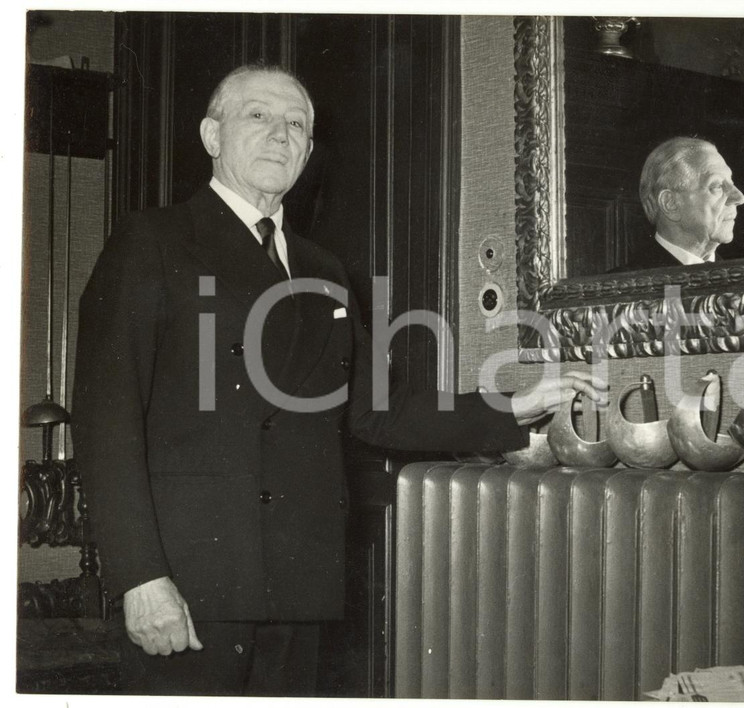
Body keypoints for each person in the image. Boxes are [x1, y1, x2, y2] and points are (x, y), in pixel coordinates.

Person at [71, 63, 606, 697]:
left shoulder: (324, 268)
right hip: (191, 583)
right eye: (258, 116)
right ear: (211, 136)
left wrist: (514, 405)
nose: (280, 135)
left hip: (299, 579)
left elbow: (377, 410)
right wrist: (139, 579)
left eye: (296, 123)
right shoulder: (152, 241)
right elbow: (106, 425)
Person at [630, 136, 744, 268]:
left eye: (731, 183)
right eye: (717, 186)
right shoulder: (622, 284)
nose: (739, 197)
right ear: (670, 203)